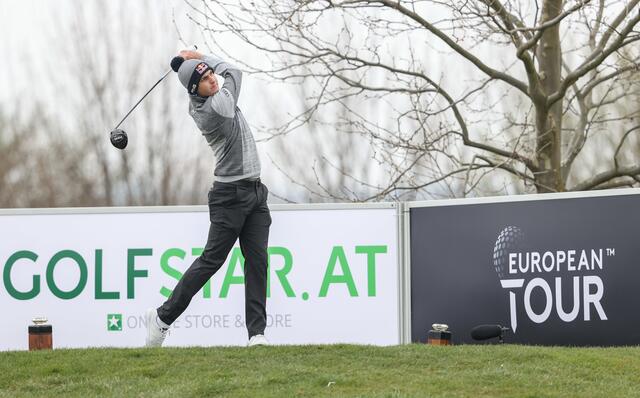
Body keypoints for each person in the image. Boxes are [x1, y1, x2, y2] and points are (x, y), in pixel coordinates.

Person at [144, 49, 271, 347]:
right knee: (211, 261)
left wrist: (194, 62)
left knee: (257, 262)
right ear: (194, 90)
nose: (212, 79)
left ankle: (257, 334)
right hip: (230, 197)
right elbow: (235, 72)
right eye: (204, 79)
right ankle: (162, 318)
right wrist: (202, 56)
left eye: (210, 74)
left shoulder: (208, 97)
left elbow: (220, 75)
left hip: (255, 193)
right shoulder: (215, 109)